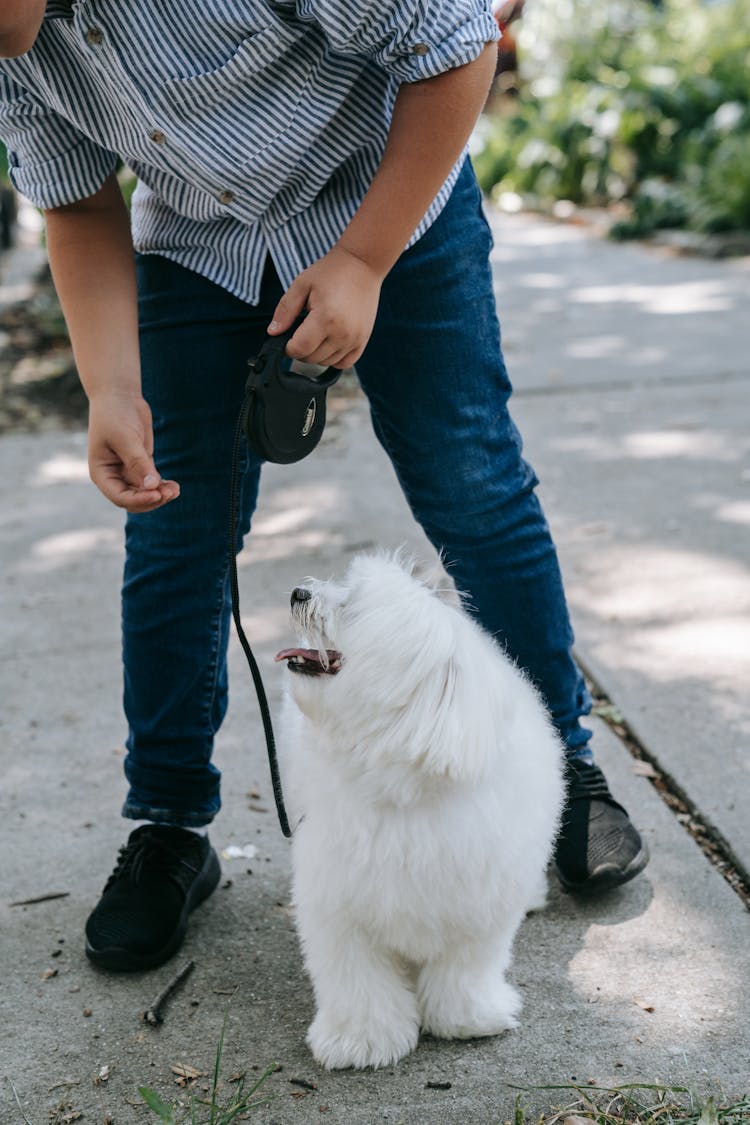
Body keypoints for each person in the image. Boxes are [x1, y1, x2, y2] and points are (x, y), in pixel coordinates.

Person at [0, 0, 648, 972]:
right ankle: (170, 825)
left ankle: (565, 766)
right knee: (174, 529)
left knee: (472, 485)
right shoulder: (20, 53)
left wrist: (363, 259)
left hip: (395, 204)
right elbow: (78, 203)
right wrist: (111, 386)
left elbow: (457, 46)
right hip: (200, 250)